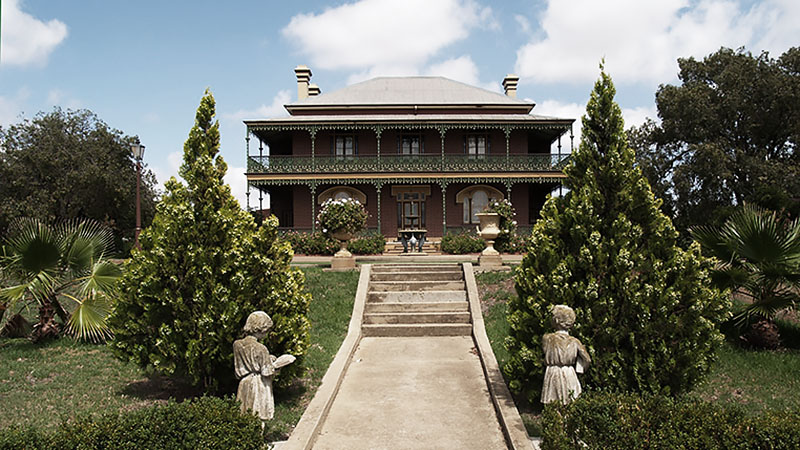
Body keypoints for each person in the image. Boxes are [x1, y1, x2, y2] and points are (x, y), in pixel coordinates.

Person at [233, 311, 295, 426]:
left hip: (244, 382)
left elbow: (242, 365)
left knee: (244, 414)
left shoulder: (237, 345)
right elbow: (266, 371)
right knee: (258, 414)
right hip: (258, 384)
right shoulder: (261, 348)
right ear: (260, 329)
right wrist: (278, 365)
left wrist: (268, 358)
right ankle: (257, 441)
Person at [541, 304, 591, 404]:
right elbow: (587, 359)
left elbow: (545, 351)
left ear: (556, 321)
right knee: (570, 400)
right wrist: (580, 369)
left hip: (553, 372)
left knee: (553, 403)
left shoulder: (547, 339)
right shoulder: (575, 342)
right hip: (569, 373)